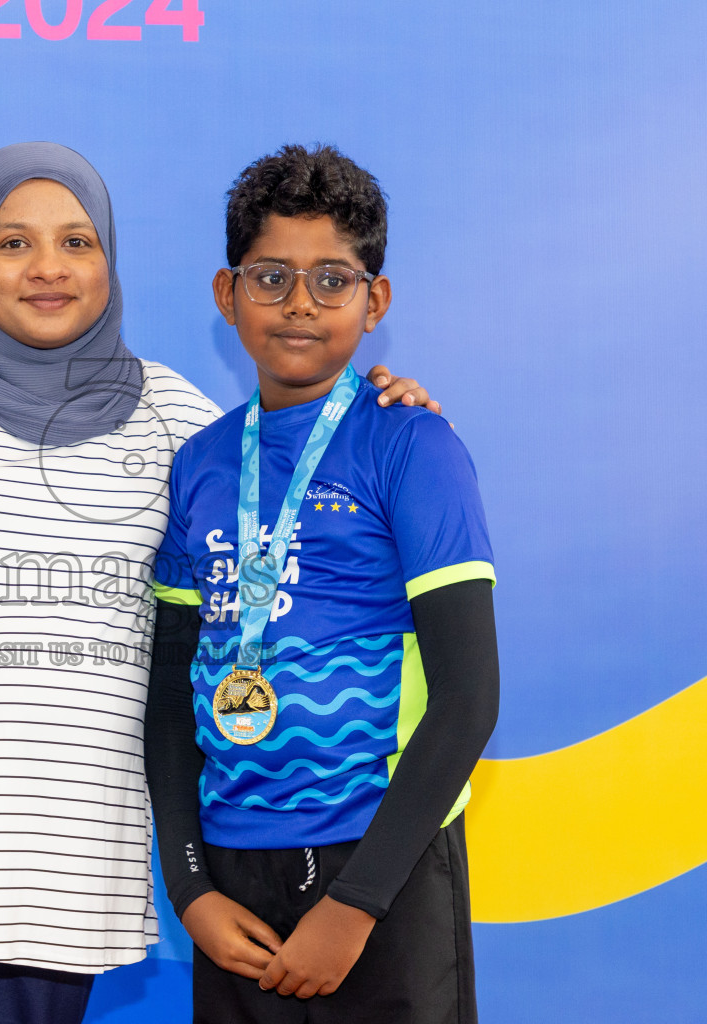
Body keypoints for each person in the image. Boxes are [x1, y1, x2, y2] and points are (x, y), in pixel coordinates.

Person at [0, 142, 442, 1024]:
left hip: (62, 875)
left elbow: (296, 465)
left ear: (109, 260)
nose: (49, 269)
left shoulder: (174, 422)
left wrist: (383, 406)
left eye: (78, 242)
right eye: (14, 243)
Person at [146, 143, 499, 1024]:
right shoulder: (198, 465)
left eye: (332, 279)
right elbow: (167, 699)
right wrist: (190, 887)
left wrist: (356, 904)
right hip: (231, 880)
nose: (300, 304)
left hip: (383, 867)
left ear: (375, 300)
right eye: (271, 277)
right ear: (227, 294)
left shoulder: (412, 446)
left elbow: (468, 699)